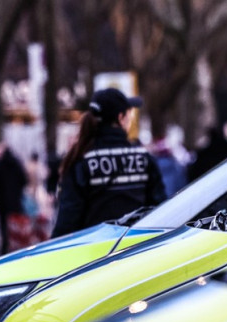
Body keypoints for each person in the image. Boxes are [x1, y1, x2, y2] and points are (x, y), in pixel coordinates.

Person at [52, 88, 166, 237]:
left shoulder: (81, 162)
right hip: (137, 246)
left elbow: (67, 221)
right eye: (129, 114)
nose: (131, 119)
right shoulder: (143, 159)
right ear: (120, 118)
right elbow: (160, 211)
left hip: (94, 248)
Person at [0, 141, 28, 254]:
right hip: (15, 201)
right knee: (15, 225)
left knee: (3, 226)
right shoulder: (17, 164)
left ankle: (5, 248)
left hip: (1, 202)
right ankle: (17, 247)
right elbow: (24, 181)